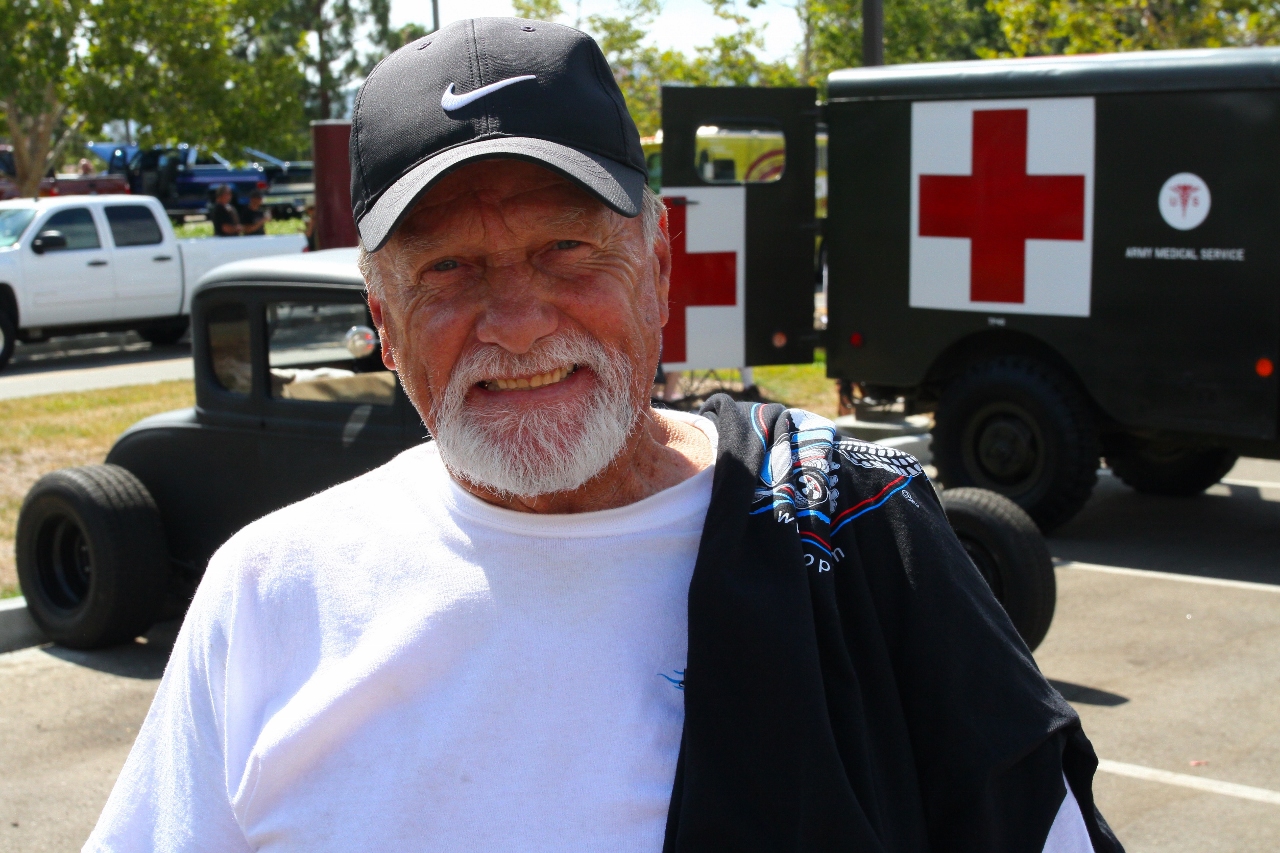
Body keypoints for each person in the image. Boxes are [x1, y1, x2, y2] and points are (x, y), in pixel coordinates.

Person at [86, 19, 1123, 853]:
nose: (518, 321)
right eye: (447, 269)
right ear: (382, 315)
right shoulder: (269, 595)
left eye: (566, 249)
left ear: (658, 264)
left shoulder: (858, 540)